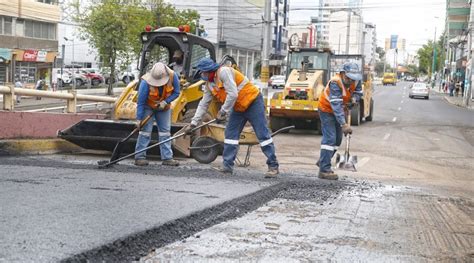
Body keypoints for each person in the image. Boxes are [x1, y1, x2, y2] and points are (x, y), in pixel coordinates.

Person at [183, 58, 279, 178]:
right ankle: (227, 166)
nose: (202, 75)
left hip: (252, 102)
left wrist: (223, 111)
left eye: (203, 72)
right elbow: (203, 104)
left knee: (262, 134)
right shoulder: (209, 85)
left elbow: (233, 94)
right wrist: (193, 123)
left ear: (210, 71)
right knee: (230, 135)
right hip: (238, 107)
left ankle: (273, 166)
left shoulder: (224, 72)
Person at [317, 62, 363, 180]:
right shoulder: (335, 82)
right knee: (330, 138)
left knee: (337, 140)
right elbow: (336, 105)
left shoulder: (357, 80)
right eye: (348, 78)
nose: (351, 81)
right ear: (342, 73)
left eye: (353, 78)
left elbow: (358, 93)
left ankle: (323, 160)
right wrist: (343, 124)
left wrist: (354, 99)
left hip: (341, 110)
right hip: (327, 109)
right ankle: (324, 170)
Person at [134, 62, 181, 167]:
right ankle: (140, 157)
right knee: (145, 132)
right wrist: (138, 119)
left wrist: (166, 102)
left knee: (165, 132)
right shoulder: (145, 82)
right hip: (148, 107)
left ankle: (167, 158)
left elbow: (177, 92)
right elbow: (141, 102)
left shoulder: (173, 76)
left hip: (164, 107)